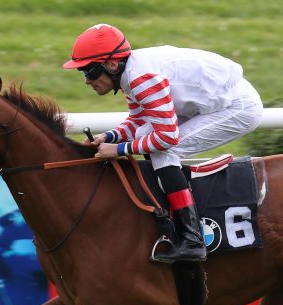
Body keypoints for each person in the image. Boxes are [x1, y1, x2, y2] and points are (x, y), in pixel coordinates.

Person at [63, 23, 263, 263]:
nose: (86, 80)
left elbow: (166, 138)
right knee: (150, 140)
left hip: (236, 107)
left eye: (89, 71)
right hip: (207, 103)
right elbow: (139, 120)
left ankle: (193, 240)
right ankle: (175, 213)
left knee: (165, 150)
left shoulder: (141, 78)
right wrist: (109, 137)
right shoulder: (128, 74)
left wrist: (117, 150)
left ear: (112, 64)